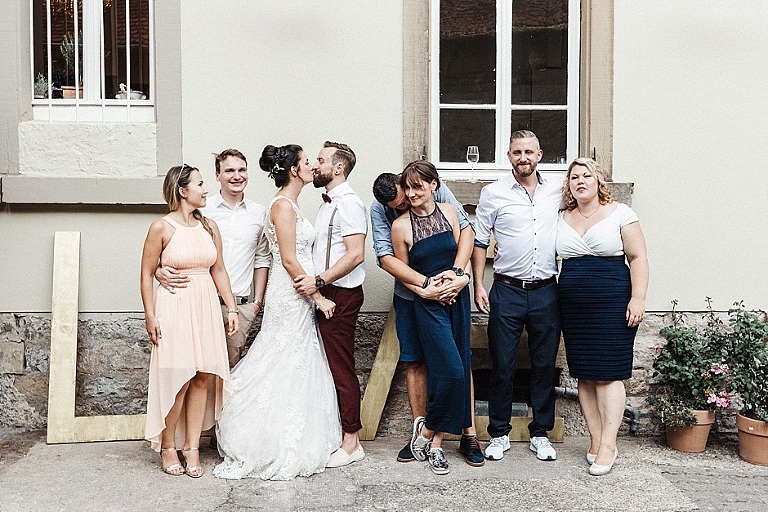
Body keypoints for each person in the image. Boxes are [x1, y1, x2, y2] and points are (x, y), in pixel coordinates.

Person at [213, 144, 341, 481]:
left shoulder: (292, 205)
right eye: (307, 161)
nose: (313, 165)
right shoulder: (282, 207)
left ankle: (290, 430)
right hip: (291, 294)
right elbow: (287, 259)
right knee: (278, 357)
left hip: (296, 295)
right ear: (295, 171)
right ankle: (257, 436)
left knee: (292, 361)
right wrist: (318, 297)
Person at [371, 171, 485, 467]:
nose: (407, 200)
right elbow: (389, 259)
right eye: (400, 199)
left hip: (454, 293)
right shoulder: (390, 217)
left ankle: (462, 434)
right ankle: (422, 432)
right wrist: (427, 288)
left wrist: (460, 276)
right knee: (418, 361)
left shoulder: (441, 199)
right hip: (417, 298)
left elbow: (468, 232)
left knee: (459, 362)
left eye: (410, 191)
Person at [140, 164, 237, 478]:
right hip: (173, 307)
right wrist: (150, 315)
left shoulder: (210, 227)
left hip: (205, 304)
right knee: (178, 379)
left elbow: (218, 269)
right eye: (200, 184)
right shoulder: (161, 228)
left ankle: (192, 447)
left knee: (201, 378)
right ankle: (168, 446)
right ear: (182, 191)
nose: (206, 189)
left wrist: (232, 308)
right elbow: (145, 272)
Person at [472, 130, 562, 462]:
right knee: (503, 365)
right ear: (508, 156)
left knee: (543, 365)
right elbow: (480, 241)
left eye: (529, 152)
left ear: (540, 155)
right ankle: (498, 434)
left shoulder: (558, 191)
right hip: (507, 290)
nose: (523, 157)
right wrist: (478, 285)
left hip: (546, 292)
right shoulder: (493, 193)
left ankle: (541, 433)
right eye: (516, 152)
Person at [556, 157, 648, 476]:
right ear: (569, 186)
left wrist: (637, 298)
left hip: (612, 300)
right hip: (574, 306)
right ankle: (595, 440)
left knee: (609, 372)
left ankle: (609, 444)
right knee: (584, 374)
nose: (580, 180)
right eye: (574, 177)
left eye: (587, 175)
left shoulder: (621, 213)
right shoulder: (561, 216)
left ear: (599, 181)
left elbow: (637, 257)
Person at [156, 149, 271, 367]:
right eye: (229, 170)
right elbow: (172, 245)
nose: (237, 176)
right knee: (196, 371)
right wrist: (158, 270)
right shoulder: (201, 208)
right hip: (199, 303)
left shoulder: (259, 213)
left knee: (227, 373)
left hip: (238, 306)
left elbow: (262, 258)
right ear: (218, 176)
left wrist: (256, 304)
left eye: (242, 170)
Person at [293, 141, 367, 468]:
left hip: (340, 296)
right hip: (326, 295)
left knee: (340, 367)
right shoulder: (327, 203)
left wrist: (319, 282)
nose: (315, 166)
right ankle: (339, 433)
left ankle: (352, 442)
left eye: (320, 160)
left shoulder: (349, 204)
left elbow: (356, 255)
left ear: (338, 168)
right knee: (328, 366)